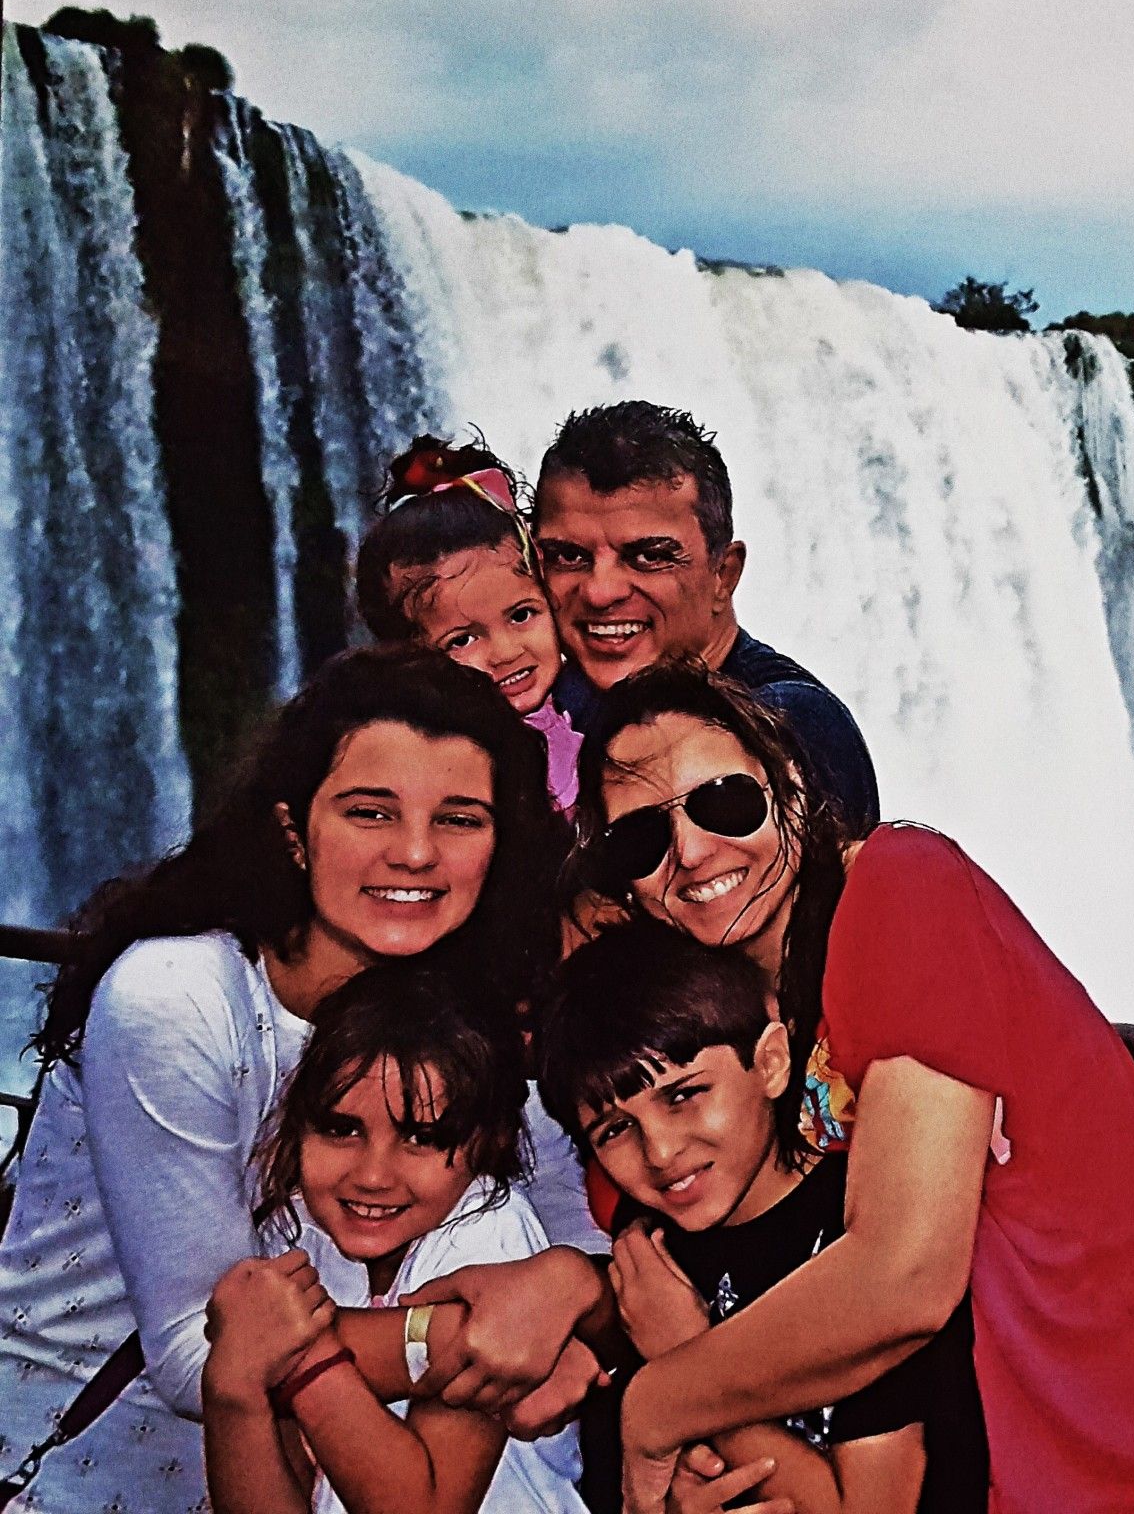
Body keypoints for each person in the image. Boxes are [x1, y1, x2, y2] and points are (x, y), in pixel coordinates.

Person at [567, 662, 1134, 1514]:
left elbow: (904, 1277)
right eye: (640, 840)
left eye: (724, 801)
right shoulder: (736, 1009)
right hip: (993, 1453)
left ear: (792, 789)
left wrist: (662, 1403)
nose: (693, 852)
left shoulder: (903, 888)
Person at [0, 647, 596, 1514]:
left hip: (321, 1477)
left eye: (459, 819)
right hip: (88, 1477)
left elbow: (581, 1240)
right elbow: (201, 1353)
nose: (415, 853)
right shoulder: (178, 998)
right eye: (370, 812)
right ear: (293, 830)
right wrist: (466, 1340)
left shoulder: (465, 1019)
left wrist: (570, 1287)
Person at [538, 919, 987, 1514]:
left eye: (684, 1094)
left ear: (771, 1062)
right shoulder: (650, 1252)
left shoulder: (859, 1232)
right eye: (615, 1129)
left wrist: (685, 1361)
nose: (661, 1152)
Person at [202, 962, 587, 1514]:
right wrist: (233, 1394)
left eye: (422, 1138)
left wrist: (304, 1349)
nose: (373, 1176)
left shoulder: (488, 1230)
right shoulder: (298, 1231)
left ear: (493, 1141)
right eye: (341, 1129)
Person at [532, 401, 879, 834]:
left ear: (723, 575)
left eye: (650, 557)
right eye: (568, 556)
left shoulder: (789, 724)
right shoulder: (546, 697)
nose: (600, 592)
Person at [357, 435, 581, 814]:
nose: (506, 652)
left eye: (521, 615)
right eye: (462, 640)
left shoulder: (591, 706)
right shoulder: (435, 769)